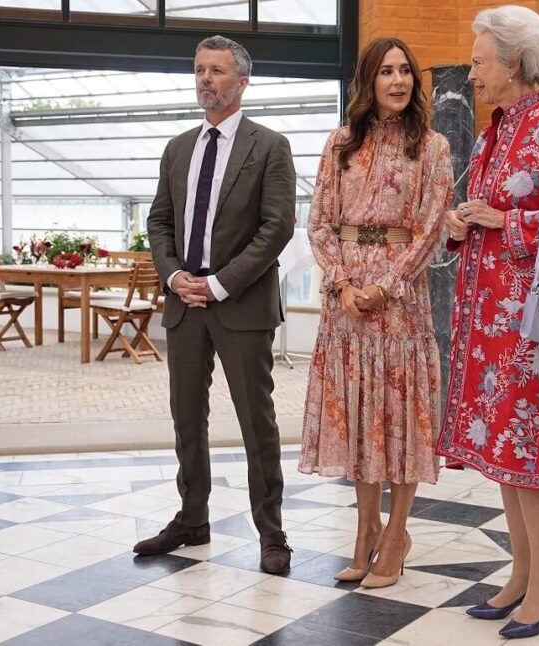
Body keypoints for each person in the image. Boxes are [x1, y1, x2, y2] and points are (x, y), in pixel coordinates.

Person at [435, 6, 539, 639]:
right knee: (503, 452)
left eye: (479, 61)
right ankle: (522, 573)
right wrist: (460, 225)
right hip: (485, 326)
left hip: (532, 329)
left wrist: (509, 222)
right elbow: (481, 210)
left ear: (513, 63)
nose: (472, 72)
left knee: (528, 454)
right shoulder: (490, 134)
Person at [298, 36, 454, 589]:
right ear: (368, 81)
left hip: (401, 302)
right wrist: (342, 284)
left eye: (405, 71)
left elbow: (433, 224)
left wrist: (387, 285)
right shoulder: (339, 143)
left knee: (399, 415)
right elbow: (318, 221)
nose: (398, 81)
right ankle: (365, 532)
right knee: (361, 417)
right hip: (345, 306)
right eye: (386, 71)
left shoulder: (431, 147)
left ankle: (396, 536)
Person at [138, 35, 296, 574]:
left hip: (241, 304)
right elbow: (159, 222)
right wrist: (175, 275)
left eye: (217, 71)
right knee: (187, 419)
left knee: (257, 422)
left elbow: (277, 227)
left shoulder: (269, 145)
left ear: (242, 80)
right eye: (199, 70)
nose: (205, 79)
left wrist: (221, 283)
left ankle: (271, 532)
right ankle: (192, 518)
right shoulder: (178, 147)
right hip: (184, 303)